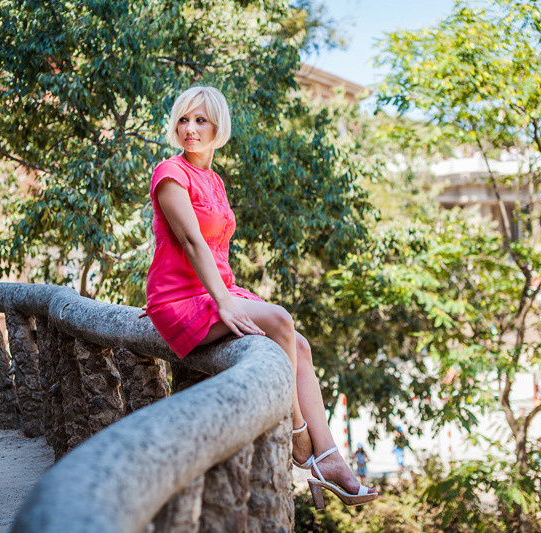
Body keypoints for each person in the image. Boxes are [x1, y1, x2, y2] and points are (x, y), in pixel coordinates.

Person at [143, 86, 377, 508]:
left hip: (215, 289)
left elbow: (214, 250)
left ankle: (330, 459)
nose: (190, 129)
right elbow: (192, 243)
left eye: (201, 120)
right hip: (181, 299)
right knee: (281, 321)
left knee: (300, 346)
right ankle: (298, 435)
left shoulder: (213, 179)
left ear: (218, 127)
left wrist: (227, 296)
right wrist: (227, 303)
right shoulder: (169, 173)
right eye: (183, 119)